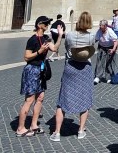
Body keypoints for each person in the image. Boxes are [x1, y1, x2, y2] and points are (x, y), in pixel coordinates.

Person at [49, 11, 96, 142]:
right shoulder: (91, 36)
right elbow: (90, 49)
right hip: (85, 68)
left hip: (70, 67)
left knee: (62, 99)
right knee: (85, 98)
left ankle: (57, 132)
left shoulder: (69, 35)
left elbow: (66, 48)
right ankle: (81, 130)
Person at [17, 15, 56, 136]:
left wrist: (60, 35)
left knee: (40, 98)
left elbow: (54, 48)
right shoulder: (32, 40)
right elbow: (26, 57)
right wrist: (39, 51)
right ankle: (20, 128)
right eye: (45, 23)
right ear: (39, 25)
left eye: (48, 23)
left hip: (41, 71)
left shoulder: (46, 38)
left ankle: (34, 125)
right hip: (32, 70)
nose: (47, 25)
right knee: (29, 100)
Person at [93, 19, 118, 84]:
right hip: (101, 47)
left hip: (110, 47)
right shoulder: (99, 31)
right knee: (99, 61)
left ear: (105, 26)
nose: (100, 26)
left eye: (101, 25)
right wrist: (91, 44)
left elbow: (116, 41)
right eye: (100, 25)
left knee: (109, 63)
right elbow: (96, 39)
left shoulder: (110, 31)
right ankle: (98, 77)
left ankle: (109, 77)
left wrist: (113, 49)